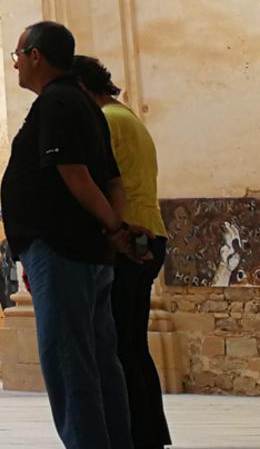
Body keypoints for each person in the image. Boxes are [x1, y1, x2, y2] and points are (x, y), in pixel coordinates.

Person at [0, 21, 132, 449]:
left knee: (68, 362)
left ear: (36, 55)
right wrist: (114, 229)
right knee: (98, 361)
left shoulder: (56, 102)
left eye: (18, 55)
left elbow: (75, 175)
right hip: (86, 251)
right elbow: (114, 181)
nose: (16, 64)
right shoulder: (85, 104)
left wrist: (114, 227)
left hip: (61, 250)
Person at [74, 54, 173, 449]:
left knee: (113, 347)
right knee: (131, 344)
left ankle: (127, 434)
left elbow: (95, 182)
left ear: (82, 88)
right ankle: (147, 434)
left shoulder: (107, 122)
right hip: (149, 235)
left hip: (125, 239)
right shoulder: (129, 118)